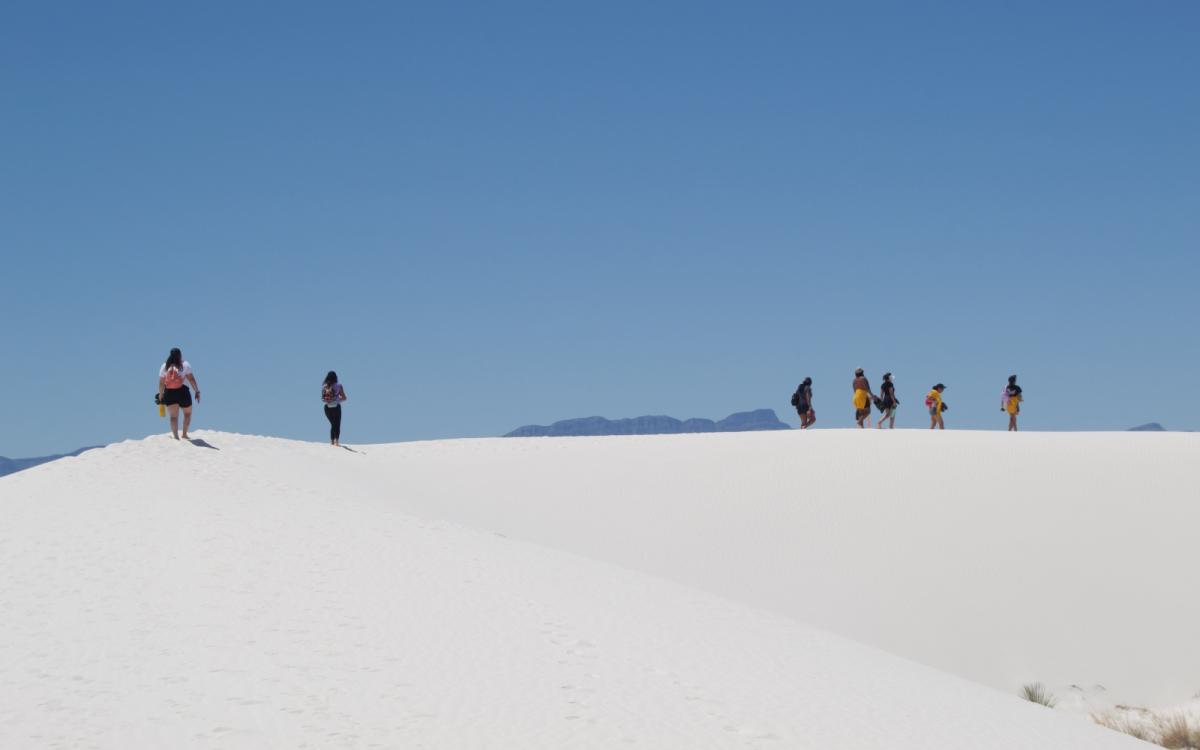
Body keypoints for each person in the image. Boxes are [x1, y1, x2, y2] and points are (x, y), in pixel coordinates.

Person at [157, 348, 200, 440]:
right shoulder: (185, 364)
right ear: (180, 355)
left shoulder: (165, 366)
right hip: (183, 391)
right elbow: (191, 379)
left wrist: (161, 394)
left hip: (169, 392)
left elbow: (161, 383)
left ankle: (176, 436)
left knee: (173, 416)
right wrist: (197, 391)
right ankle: (184, 434)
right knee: (187, 414)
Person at [322, 371, 348, 446]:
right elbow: (344, 398)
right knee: (337, 424)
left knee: (333, 424)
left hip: (327, 408)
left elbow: (323, 399)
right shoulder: (339, 385)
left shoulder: (325, 386)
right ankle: (336, 441)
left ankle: (331, 441)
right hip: (336, 407)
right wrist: (337, 399)